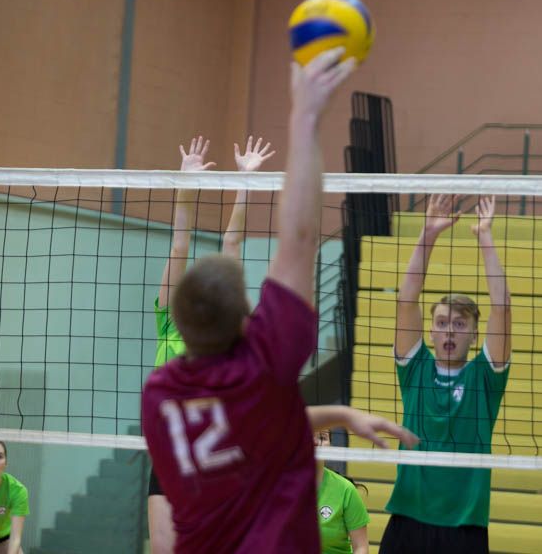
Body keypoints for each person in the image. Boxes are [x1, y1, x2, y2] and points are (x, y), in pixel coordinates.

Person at [142, 47, 417, 553]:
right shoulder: (262, 365)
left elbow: (251, 423)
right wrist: (305, 115)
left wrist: (338, 415)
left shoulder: (158, 393)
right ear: (243, 318)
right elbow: (298, 237)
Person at [148, 134, 275, 554]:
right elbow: (179, 244)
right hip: (169, 457)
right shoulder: (169, 326)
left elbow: (231, 245)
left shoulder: (231, 344)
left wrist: (245, 181)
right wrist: (186, 183)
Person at [379, 194, 512, 554]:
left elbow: (502, 307)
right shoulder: (415, 368)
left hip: (464, 526)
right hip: (408, 517)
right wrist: (428, 235)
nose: (449, 331)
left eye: (459, 324)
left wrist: (485, 237)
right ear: (431, 331)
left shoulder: (485, 377)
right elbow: (406, 300)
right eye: (441, 323)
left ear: (474, 333)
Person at [314, 430, 369, 554]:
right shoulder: (278, 487)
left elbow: (361, 547)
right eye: (308, 435)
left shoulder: (346, 489)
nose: (316, 442)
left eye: (322, 437)